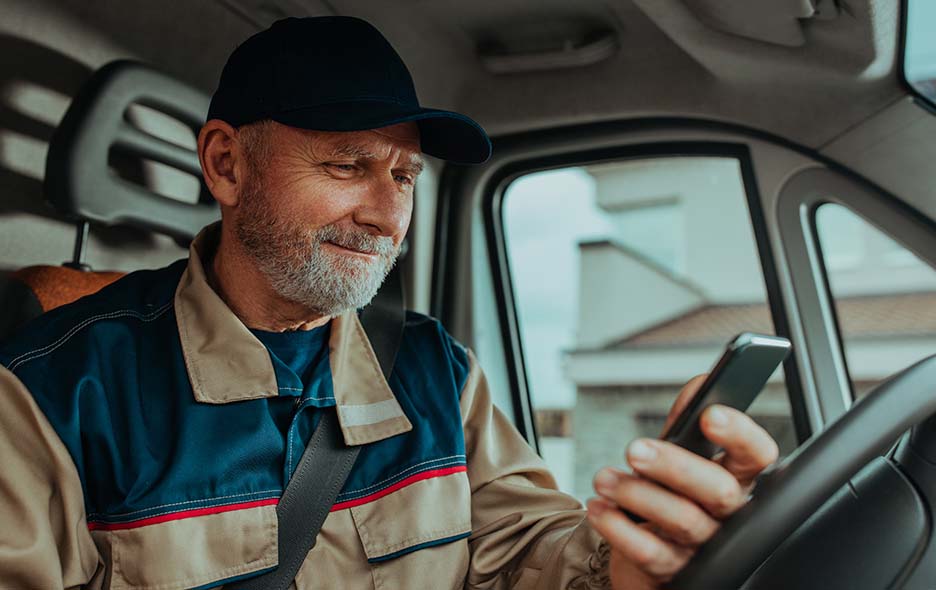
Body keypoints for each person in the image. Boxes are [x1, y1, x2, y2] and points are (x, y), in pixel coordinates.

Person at [0, 16, 778, 590]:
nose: (386, 214)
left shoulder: (434, 368)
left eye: (404, 176)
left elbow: (527, 552)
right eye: (348, 165)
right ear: (227, 164)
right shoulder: (52, 393)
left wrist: (633, 557)